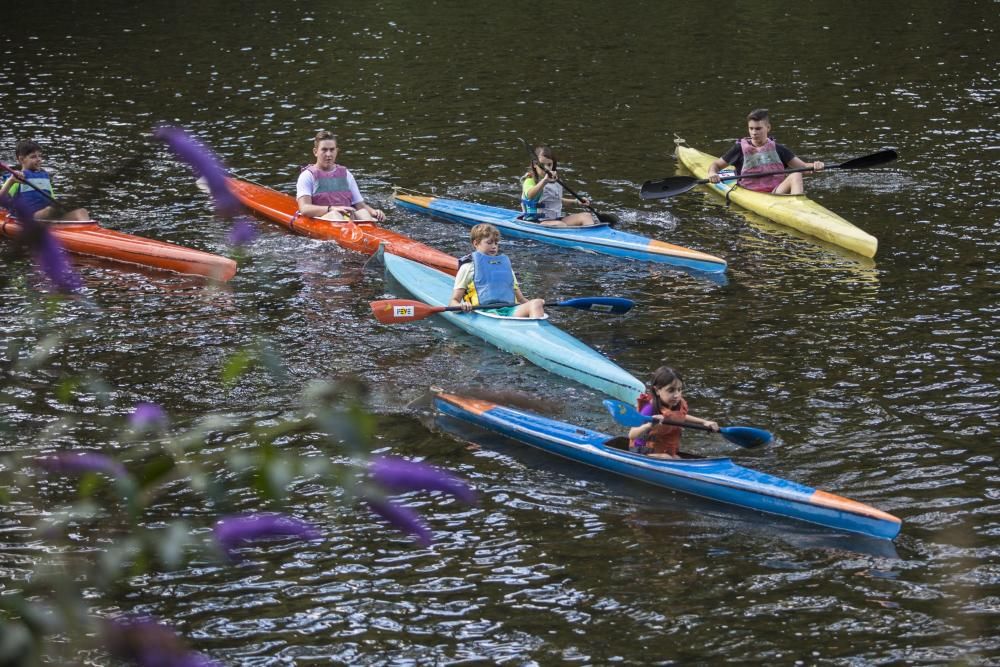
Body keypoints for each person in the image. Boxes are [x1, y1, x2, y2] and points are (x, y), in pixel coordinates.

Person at [706, 109, 824, 195]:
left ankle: (798, 208)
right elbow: (716, 165)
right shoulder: (739, 149)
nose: (753, 132)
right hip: (749, 193)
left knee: (796, 174)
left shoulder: (778, 149)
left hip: (775, 193)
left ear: (768, 128)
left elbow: (803, 167)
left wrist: (815, 165)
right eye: (751, 128)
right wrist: (712, 173)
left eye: (758, 128)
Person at [449, 223, 545, 318]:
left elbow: (520, 299)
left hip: (510, 311)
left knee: (536, 303)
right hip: (484, 312)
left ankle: (537, 331)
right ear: (476, 243)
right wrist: (462, 306)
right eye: (489, 242)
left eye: (496, 243)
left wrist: (537, 306)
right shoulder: (467, 268)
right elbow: (453, 301)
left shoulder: (505, 267)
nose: (494, 246)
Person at [627, 366, 719, 459]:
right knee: (667, 457)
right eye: (671, 390)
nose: (676, 395)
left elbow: (681, 416)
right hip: (641, 450)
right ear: (657, 390)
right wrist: (649, 425)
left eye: (679, 389)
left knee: (677, 458)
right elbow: (632, 434)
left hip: (660, 449)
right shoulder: (649, 409)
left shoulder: (674, 404)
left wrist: (704, 422)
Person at [295, 130, 385, 222]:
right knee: (335, 215)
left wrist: (374, 212)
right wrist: (331, 209)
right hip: (325, 218)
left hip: (347, 217)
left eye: (332, 150)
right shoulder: (307, 176)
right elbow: (305, 208)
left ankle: (370, 233)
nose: (328, 154)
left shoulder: (346, 174)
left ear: (336, 151)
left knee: (363, 213)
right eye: (324, 150)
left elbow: (359, 204)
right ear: (315, 152)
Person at [0, 139, 89, 221]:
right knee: (50, 210)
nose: (39, 159)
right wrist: (11, 181)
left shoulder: (44, 177)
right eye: (33, 157)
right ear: (21, 159)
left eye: (40, 156)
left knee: (82, 211)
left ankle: (87, 234)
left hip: (46, 216)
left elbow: (52, 199)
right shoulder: (16, 178)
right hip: (28, 218)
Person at [520, 145, 595, 228]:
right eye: (542, 165)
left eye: (549, 164)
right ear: (535, 164)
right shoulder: (530, 180)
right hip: (536, 222)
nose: (546, 168)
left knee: (586, 216)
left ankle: (591, 238)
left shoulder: (554, 180)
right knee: (561, 225)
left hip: (555, 220)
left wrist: (576, 201)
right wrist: (544, 181)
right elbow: (530, 195)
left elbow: (556, 200)